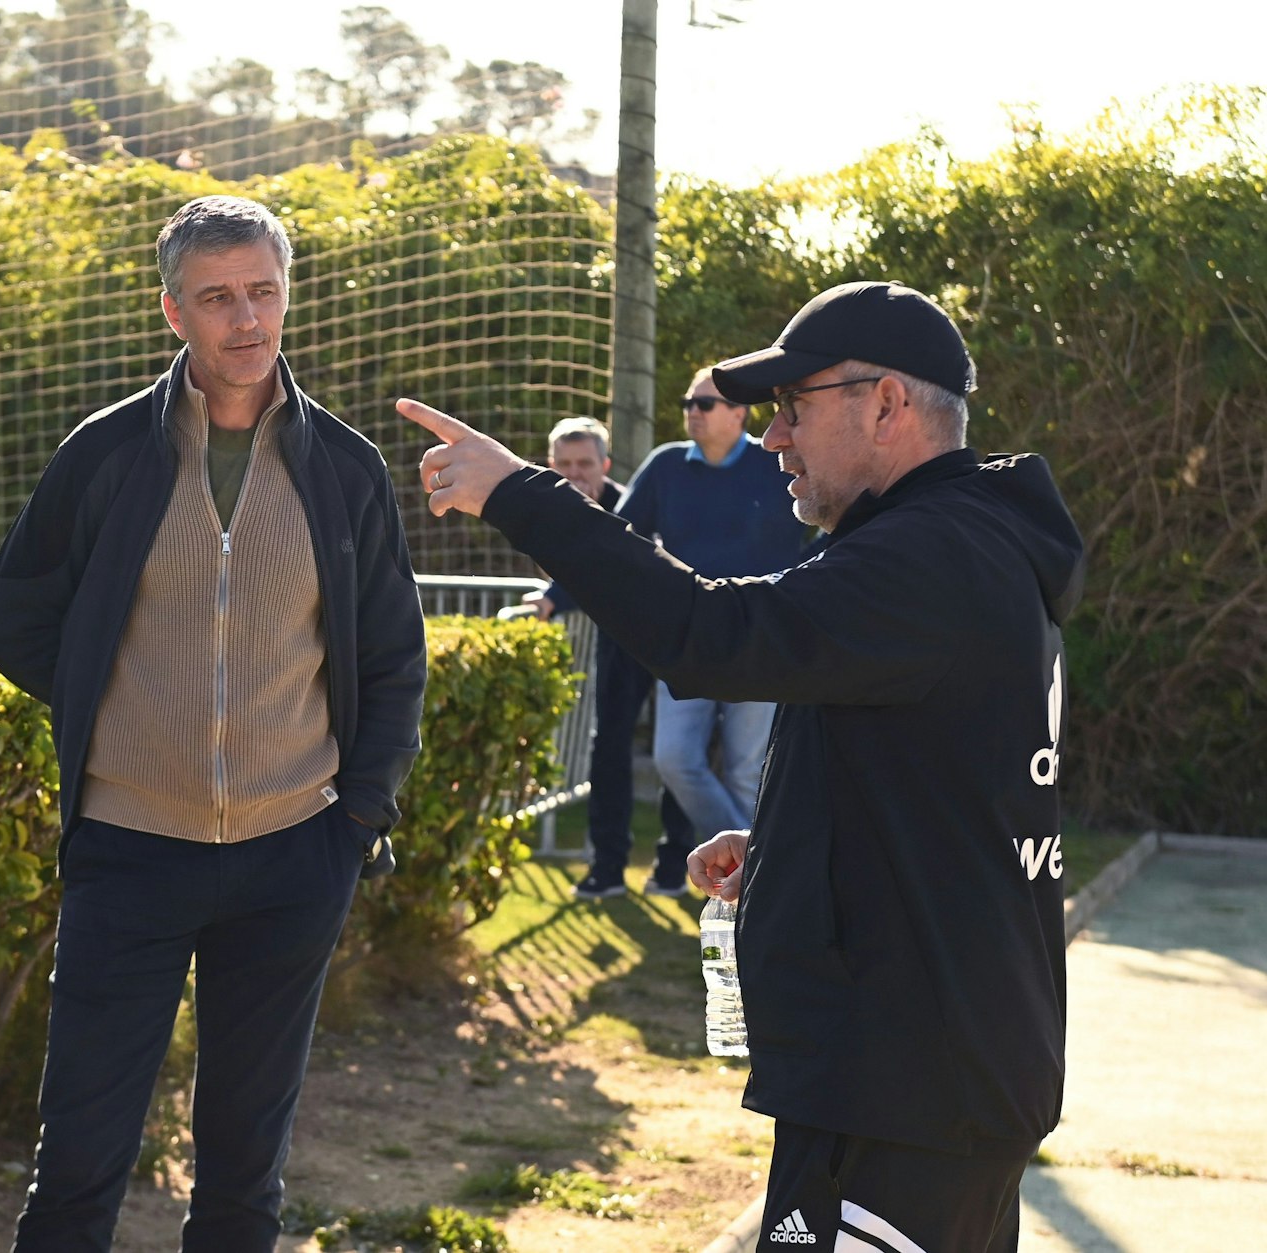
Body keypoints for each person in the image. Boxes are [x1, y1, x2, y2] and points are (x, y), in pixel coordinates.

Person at [401, 280, 1083, 1252]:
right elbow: (944, 784)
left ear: (886, 402)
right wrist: (790, 843)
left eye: (793, 406)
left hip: (906, 1091)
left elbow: (711, 635)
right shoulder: (959, 544)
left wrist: (520, 493)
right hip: (923, 1076)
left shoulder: (931, 556)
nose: (772, 438)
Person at [0, 194, 426, 1252]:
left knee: (242, 1180)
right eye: (217, 297)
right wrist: (118, 708)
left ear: (287, 295)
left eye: (263, 291)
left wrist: (354, 819)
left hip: (293, 856)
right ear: (172, 311)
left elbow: (392, 660)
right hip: (127, 851)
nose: (246, 318)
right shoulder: (103, 453)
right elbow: (14, 619)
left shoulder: (344, 467)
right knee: (76, 1169)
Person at [574, 369, 810, 901]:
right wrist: (556, 595)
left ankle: (751, 893)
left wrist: (804, 592)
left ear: (738, 414)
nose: (692, 412)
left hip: (764, 639)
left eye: (704, 404)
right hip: (689, 638)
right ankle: (762, 867)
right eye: (688, 403)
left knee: (747, 771)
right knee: (675, 758)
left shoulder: (777, 462)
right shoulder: (665, 466)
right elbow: (616, 539)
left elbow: (831, 527)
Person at [511, 418, 696, 901]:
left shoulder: (632, 505)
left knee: (677, 751)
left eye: (585, 464)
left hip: (671, 635)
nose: (575, 474)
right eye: (564, 464)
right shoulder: (546, 506)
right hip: (620, 640)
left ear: (605, 465)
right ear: (550, 465)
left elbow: (607, 566)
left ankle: (674, 866)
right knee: (608, 748)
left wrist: (553, 598)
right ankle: (608, 868)